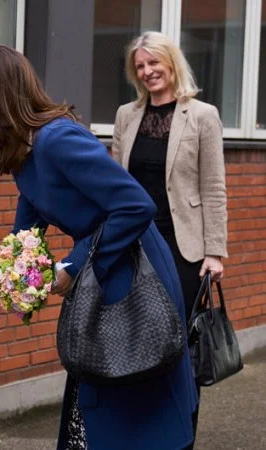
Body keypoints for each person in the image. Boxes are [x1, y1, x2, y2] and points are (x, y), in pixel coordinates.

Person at [0, 45, 198, 449]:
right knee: (104, 405)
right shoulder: (24, 155)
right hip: (103, 277)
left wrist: (73, 266)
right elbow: (22, 245)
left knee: (136, 406)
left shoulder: (56, 139)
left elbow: (135, 206)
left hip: (133, 276)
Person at [112, 31, 228, 446]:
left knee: (178, 348)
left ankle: (181, 436)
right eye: (140, 66)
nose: (147, 72)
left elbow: (214, 188)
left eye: (153, 63)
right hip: (135, 246)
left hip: (183, 252)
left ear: (171, 62)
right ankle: (146, 432)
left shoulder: (202, 115)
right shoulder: (127, 115)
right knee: (136, 343)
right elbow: (115, 183)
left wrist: (214, 252)